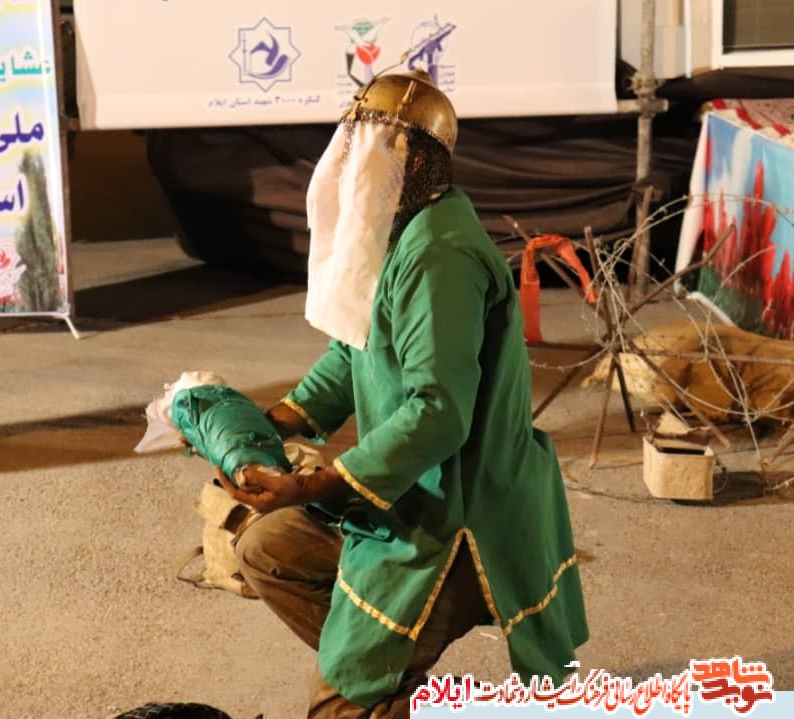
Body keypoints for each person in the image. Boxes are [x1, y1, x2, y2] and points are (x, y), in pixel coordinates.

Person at [211, 70, 589, 718]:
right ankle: (385, 675)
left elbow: (437, 413)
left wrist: (313, 484)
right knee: (265, 550)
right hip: (411, 489)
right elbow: (353, 347)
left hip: (458, 514)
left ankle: (375, 684)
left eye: (364, 145)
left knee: (338, 711)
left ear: (411, 158)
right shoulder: (394, 228)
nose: (346, 161)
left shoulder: (439, 255)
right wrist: (275, 423)